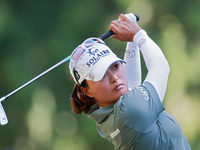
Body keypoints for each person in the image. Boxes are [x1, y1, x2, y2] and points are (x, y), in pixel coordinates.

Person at [69, 13, 191, 150]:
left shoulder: (105, 118)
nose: (115, 78)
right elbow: (161, 67)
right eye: (102, 75)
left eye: (115, 66)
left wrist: (131, 41)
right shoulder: (130, 112)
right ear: (87, 91)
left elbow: (131, 86)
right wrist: (138, 34)